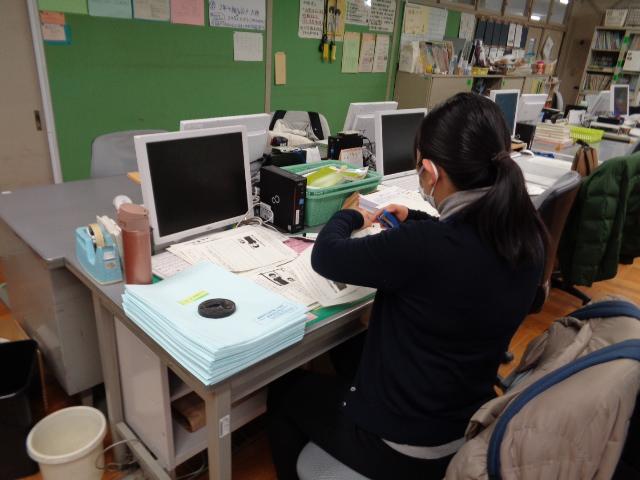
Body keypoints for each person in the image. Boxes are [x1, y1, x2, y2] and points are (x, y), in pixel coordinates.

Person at [267, 92, 547, 480]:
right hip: (465, 421)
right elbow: (462, 247)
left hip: (401, 446)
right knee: (351, 350)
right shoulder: (527, 234)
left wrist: (349, 216)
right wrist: (415, 217)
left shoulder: (425, 248)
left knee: (286, 392)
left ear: (431, 173)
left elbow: (327, 256)